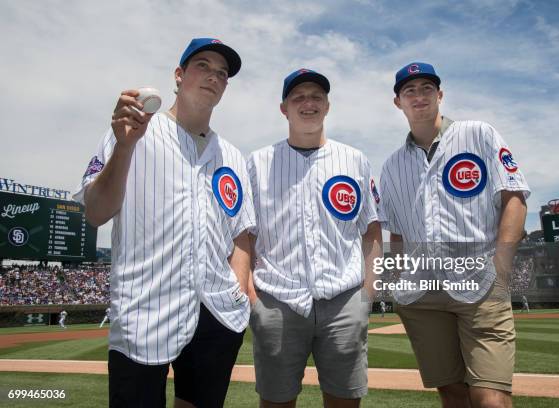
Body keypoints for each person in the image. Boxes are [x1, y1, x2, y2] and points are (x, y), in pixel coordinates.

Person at [73, 37, 255, 408]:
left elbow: (242, 233)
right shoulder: (133, 130)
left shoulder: (232, 156)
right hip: (145, 309)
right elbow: (95, 212)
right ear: (178, 74)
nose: (214, 77)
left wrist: (238, 288)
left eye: (222, 73)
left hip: (216, 311)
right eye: (203, 65)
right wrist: (124, 148)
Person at [378, 62, 529, 408]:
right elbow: (398, 234)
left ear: (440, 95)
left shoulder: (479, 134)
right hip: (423, 294)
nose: (419, 96)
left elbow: (515, 197)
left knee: (490, 397)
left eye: (426, 89)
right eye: (410, 91)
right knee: (453, 393)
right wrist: (398, 281)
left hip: (480, 284)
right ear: (398, 102)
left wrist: (501, 265)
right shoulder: (392, 165)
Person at [247, 69, 382, 408]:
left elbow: (372, 230)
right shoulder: (257, 163)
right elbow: (243, 235)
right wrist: (252, 298)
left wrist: (367, 295)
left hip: (343, 299)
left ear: (327, 105)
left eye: (316, 97)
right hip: (277, 300)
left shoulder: (355, 160)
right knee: (276, 402)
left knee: (344, 401)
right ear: (284, 108)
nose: (308, 103)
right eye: (299, 97)